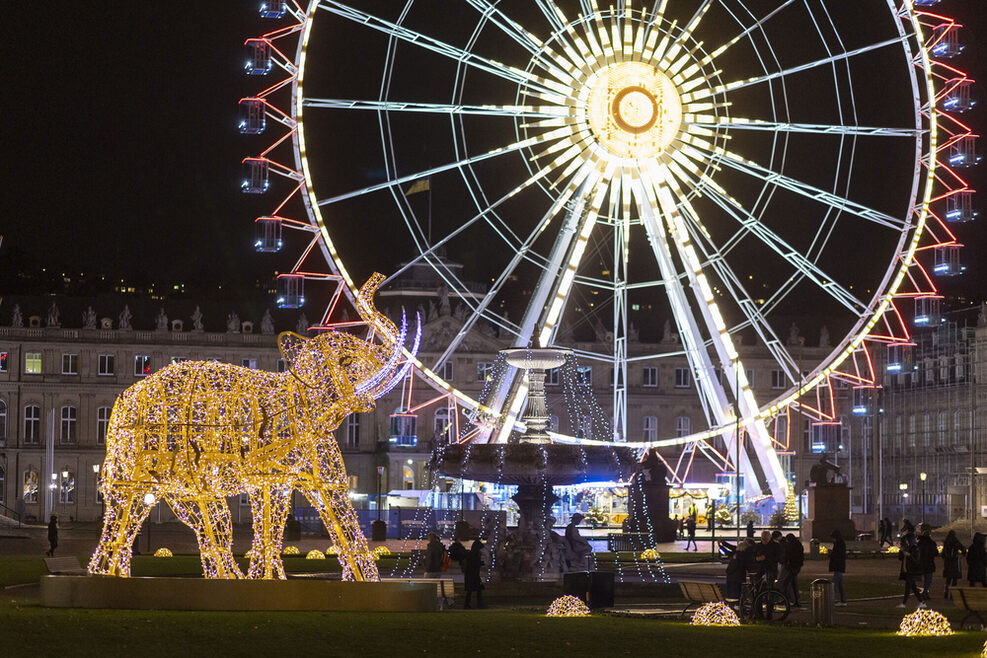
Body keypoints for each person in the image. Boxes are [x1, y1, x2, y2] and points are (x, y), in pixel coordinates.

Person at [898, 522, 925, 608]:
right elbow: (900, 558)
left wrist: (909, 555)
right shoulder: (907, 548)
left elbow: (917, 561)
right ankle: (922, 602)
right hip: (907, 570)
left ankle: (904, 603)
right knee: (913, 587)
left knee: (908, 587)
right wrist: (901, 551)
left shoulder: (915, 548)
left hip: (912, 570)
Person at [781, 533, 804, 607]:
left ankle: (787, 599)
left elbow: (790, 555)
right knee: (793, 584)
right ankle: (796, 600)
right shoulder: (797, 545)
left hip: (793, 567)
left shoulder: (792, 546)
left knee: (786, 583)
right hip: (795, 566)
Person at [916, 525, 938, 598]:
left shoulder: (919, 543)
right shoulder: (932, 543)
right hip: (929, 563)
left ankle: (918, 590)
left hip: (921, 563)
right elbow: (936, 553)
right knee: (928, 579)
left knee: (917, 577)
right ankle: (925, 591)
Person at [942, 529, 964, 599]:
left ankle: (946, 593)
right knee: (954, 579)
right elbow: (963, 549)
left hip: (948, 563)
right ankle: (952, 595)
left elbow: (943, 554)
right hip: (954, 562)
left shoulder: (946, 542)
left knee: (948, 579)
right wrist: (961, 554)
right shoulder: (955, 541)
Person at [463, 540, 485, 609]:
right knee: (477, 590)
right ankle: (477, 603)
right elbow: (474, 564)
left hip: (470, 575)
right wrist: (481, 563)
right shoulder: (475, 555)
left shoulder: (470, 554)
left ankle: (468, 604)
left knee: (472, 590)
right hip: (473, 575)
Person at [829, 530, 847, 606]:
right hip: (840, 565)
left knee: (834, 584)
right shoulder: (840, 543)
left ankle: (831, 600)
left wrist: (831, 554)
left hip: (838, 566)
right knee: (840, 585)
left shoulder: (838, 544)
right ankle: (843, 601)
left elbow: (837, 555)